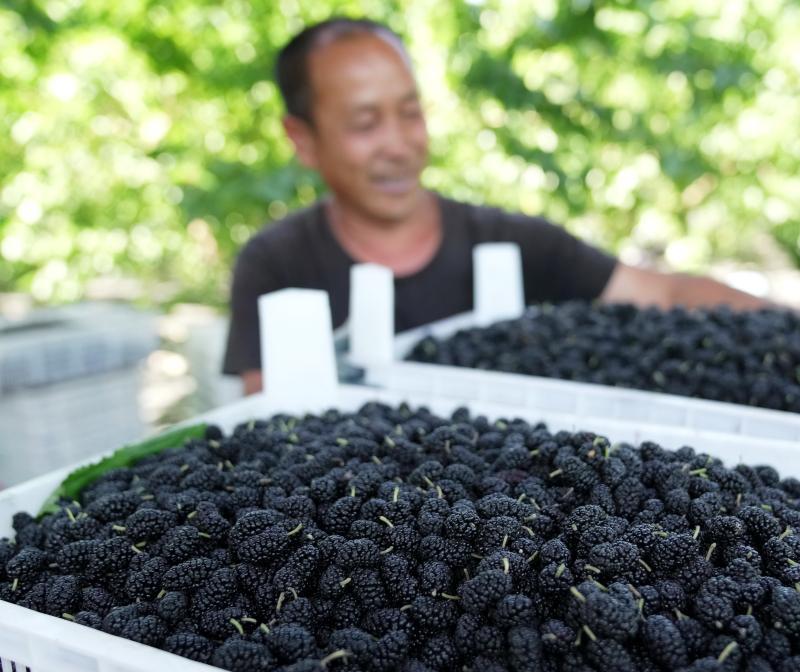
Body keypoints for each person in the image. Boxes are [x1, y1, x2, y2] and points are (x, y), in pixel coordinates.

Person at [223, 17, 769, 394]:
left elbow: (664, 293)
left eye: (411, 113)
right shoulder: (276, 264)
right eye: (365, 123)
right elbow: (270, 422)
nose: (399, 143)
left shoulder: (516, 242)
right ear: (303, 139)